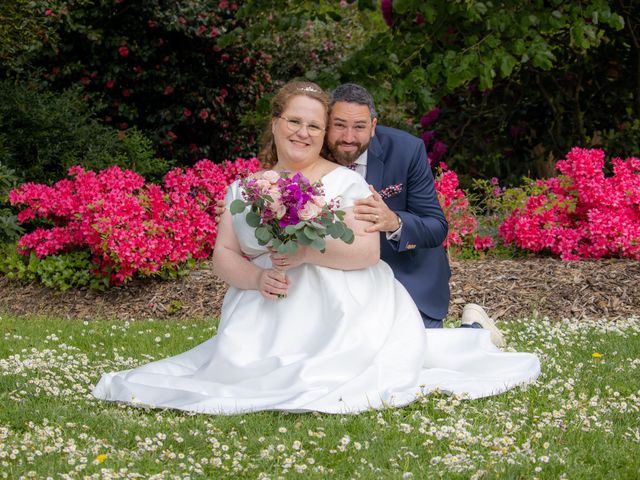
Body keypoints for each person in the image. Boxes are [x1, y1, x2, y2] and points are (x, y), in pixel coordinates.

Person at [92, 81, 539, 415]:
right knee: (233, 374)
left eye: (314, 126)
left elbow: (366, 254)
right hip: (264, 306)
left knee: (343, 370)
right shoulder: (246, 187)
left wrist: (306, 253)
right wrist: (256, 277)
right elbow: (223, 255)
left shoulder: (346, 182)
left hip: (342, 304)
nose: (303, 132)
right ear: (275, 123)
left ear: (322, 134)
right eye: (294, 121)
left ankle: (470, 337)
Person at [324, 83, 503, 345]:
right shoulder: (313, 152)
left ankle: (475, 329)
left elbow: (436, 227)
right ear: (327, 123)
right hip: (339, 280)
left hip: (405, 275)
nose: (349, 137)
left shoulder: (406, 150)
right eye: (339, 125)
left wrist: (393, 221)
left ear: (373, 126)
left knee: (416, 353)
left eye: (359, 127)